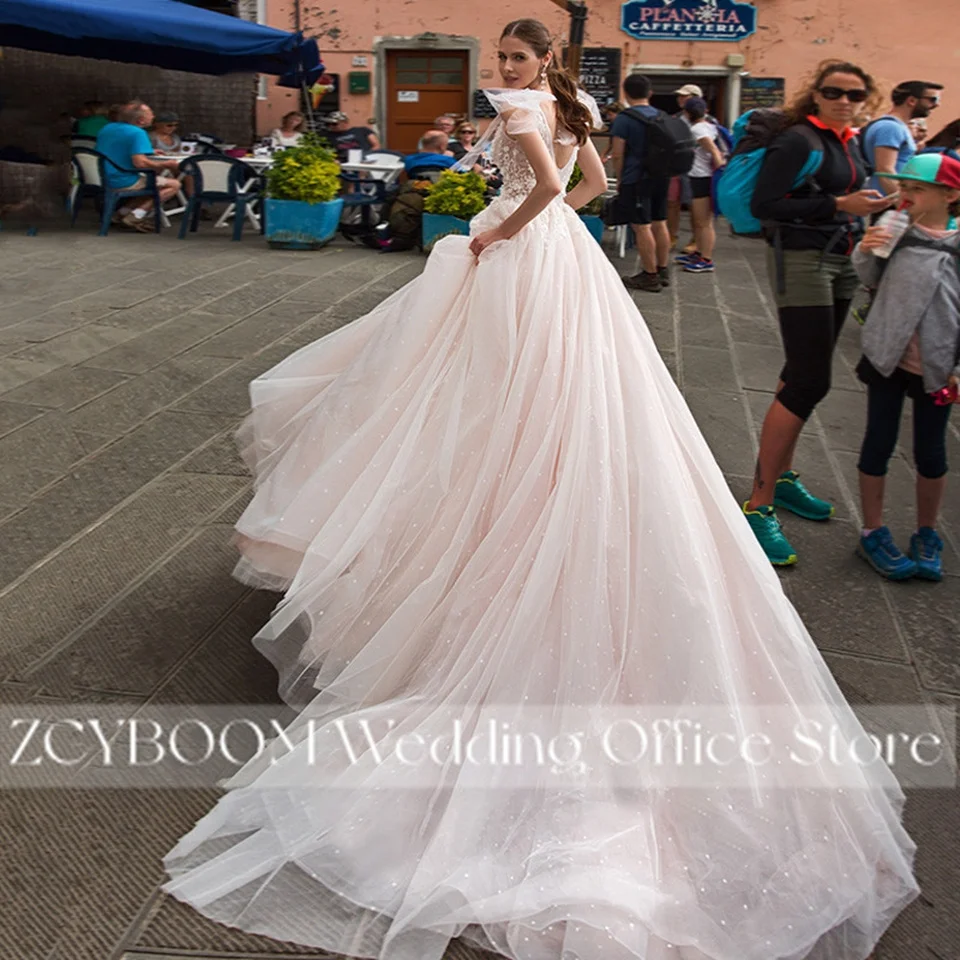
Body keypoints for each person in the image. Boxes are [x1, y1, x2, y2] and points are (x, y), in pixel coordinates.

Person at [163, 22, 918, 960]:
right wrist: (544, 220)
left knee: (473, 399)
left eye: (516, 61)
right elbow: (592, 190)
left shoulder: (526, 108)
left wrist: (492, 235)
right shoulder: (577, 106)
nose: (506, 74)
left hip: (521, 259)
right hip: (570, 264)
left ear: (538, 66)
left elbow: (557, 188)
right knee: (553, 400)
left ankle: (482, 524)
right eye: (502, 63)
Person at [742, 60, 895, 565]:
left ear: (865, 98)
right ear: (817, 94)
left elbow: (840, 197)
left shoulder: (846, 139)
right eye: (834, 91)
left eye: (854, 93)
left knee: (798, 374)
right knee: (811, 381)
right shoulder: (798, 140)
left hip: (841, 258)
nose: (844, 99)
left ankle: (781, 480)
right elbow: (766, 204)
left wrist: (869, 208)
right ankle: (758, 504)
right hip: (803, 261)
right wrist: (838, 206)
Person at [852, 151, 960, 581]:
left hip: (939, 366)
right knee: (878, 439)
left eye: (917, 189)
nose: (907, 195)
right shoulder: (894, 228)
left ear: (950, 195)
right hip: (886, 356)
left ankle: (927, 531)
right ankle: (872, 529)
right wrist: (865, 249)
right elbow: (869, 276)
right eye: (905, 188)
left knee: (931, 452)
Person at [607, 73, 671, 292]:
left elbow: (618, 154)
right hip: (661, 177)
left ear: (625, 93)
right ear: (650, 93)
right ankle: (662, 268)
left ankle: (650, 276)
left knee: (642, 227)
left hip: (636, 179)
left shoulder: (625, 119)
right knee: (659, 222)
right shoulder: (662, 115)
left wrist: (621, 178)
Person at [95, 101, 181, 231]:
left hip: (101, 178)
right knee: (174, 184)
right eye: (150, 114)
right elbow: (140, 163)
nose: (153, 117)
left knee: (152, 185)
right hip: (123, 180)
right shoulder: (137, 133)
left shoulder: (107, 128)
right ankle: (136, 216)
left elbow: (119, 146)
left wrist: (149, 151)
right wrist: (165, 164)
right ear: (141, 120)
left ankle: (120, 214)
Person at [861, 80, 943, 195]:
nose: (937, 104)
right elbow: (885, 172)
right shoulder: (891, 127)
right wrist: (902, 203)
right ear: (911, 101)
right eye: (933, 100)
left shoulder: (896, 126)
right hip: (882, 202)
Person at [675, 96, 723, 275]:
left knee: (703, 222)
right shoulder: (710, 126)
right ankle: (699, 253)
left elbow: (713, 150)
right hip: (703, 177)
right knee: (700, 221)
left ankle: (706, 259)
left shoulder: (698, 129)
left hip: (702, 178)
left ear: (687, 113)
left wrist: (719, 168)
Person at [667, 83, 702, 252]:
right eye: (679, 96)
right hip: (676, 167)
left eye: (685, 96)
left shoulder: (707, 121)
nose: (680, 99)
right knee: (672, 202)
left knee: (695, 205)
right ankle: (672, 235)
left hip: (697, 169)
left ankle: (697, 238)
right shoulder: (675, 119)